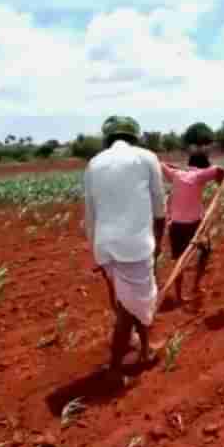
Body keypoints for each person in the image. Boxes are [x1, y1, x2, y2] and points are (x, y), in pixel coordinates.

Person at [83, 115, 166, 374]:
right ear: (135, 136)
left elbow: (90, 211)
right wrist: (159, 241)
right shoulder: (146, 158)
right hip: (135, 245)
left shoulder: (94, 163)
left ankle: (145, 348)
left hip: (104, 245)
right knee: (132, 307)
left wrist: (95, 249)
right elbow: (159, 206)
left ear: (108, 138)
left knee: (129, 302)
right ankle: (116, 364)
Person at [160, 156, 224, 305]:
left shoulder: (176, 174)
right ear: (203, 167)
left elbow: (162, 163)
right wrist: (220, 184)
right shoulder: (200, 175)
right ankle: (196, 285)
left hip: (175, 225)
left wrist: (176, 167)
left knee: (179, 261)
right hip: (194, 225)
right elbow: (219, 170)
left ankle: (179, 296)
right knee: (205, 251)